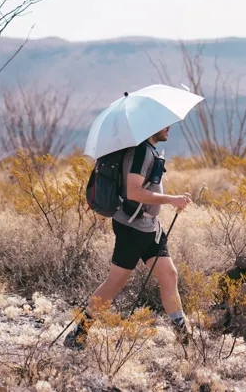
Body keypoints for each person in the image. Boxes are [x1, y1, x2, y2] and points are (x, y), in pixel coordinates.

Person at [65, 125, 192, 350]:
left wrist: (170, 201)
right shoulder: (141, 152)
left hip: (150, 228)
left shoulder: (148, 150)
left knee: (169, 274)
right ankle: (79, 331)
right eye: (163, 124)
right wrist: (171, 199)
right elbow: (133, 192)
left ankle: (183, 335)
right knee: (116, 281)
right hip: (132, 228)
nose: (168, 128)